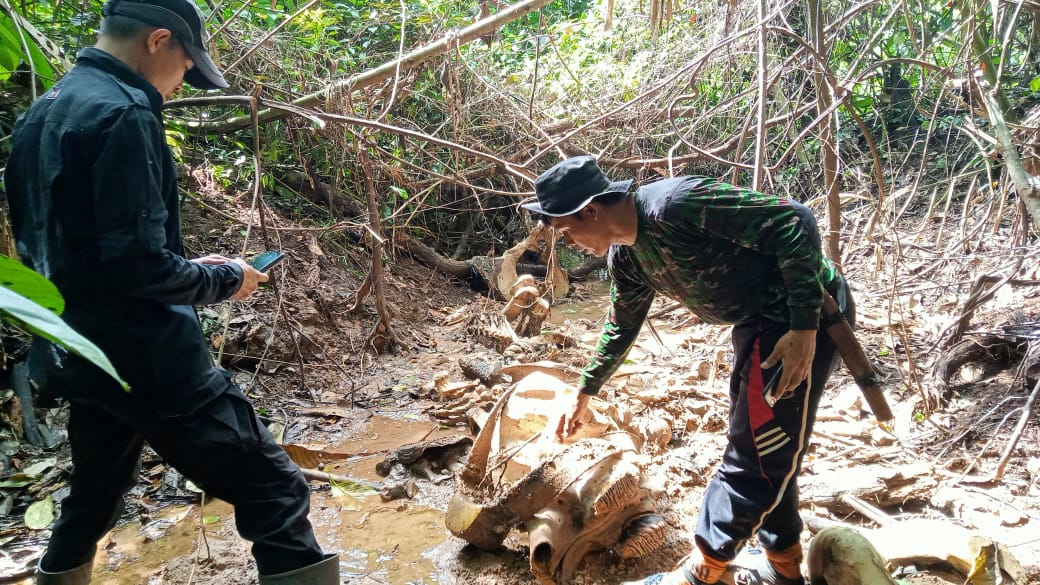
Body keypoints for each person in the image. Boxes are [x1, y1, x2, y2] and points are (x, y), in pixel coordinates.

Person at [3, 0, 338, 583]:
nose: (182, 84)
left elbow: (80, 249)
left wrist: (186, 265)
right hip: (149, 359)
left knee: (93, 497)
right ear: (159, 41)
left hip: (78, 354)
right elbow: (137, 270)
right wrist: (227, 278)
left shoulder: (42, 111)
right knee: (274, 489)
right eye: (186, 67)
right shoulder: (125, 114)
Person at [520, 156, 854, 585]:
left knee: (759, 446)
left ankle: (703, 570)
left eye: (567, 231)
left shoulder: (677, 205)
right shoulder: (626, 259)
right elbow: (622, 324)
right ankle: (782, 563)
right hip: (757, 322)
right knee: (763, 442)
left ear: (591, 211)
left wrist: (805, 328)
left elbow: (795, 220)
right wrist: (586, 391)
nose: (570, 244)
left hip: (802, 315)